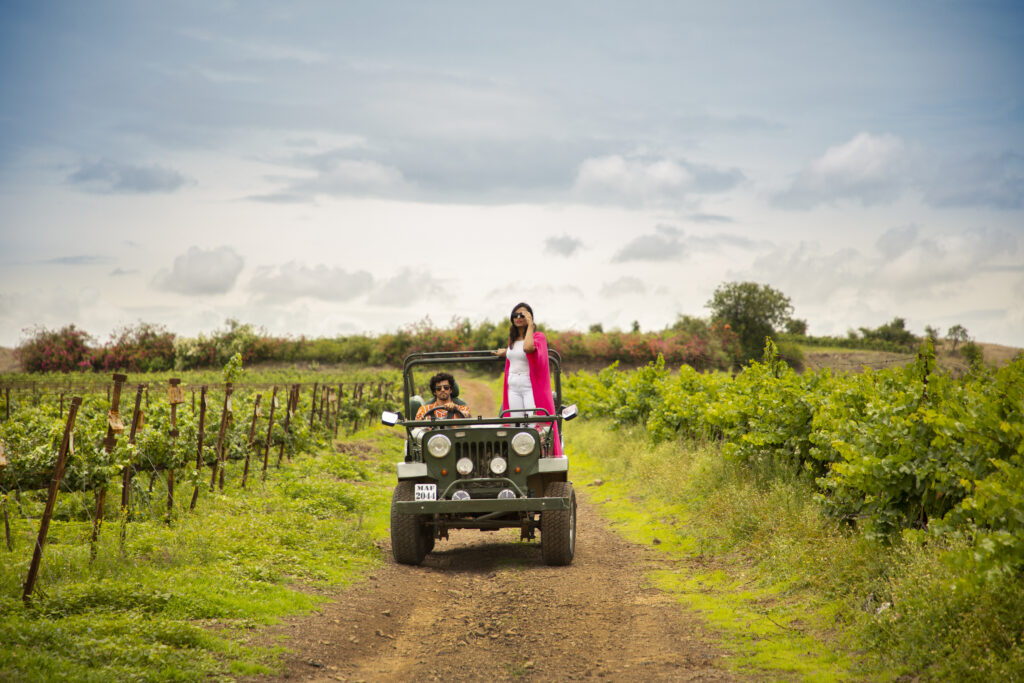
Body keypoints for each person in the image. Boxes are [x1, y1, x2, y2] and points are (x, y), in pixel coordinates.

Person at [494, 303, 563, 456]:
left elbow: (528, 348)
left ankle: (535, 456)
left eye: (522, 315)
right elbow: (517, 352)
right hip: (513, 386)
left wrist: (530, 326)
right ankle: (517, 456)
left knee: (533, 424)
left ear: (530, 317)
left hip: (529, 387)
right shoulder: (512, 339)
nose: (518, 318)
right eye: (515, 315)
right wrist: (505, 352)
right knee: (516, 424)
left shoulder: (538, 336)